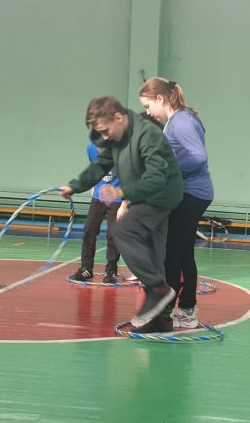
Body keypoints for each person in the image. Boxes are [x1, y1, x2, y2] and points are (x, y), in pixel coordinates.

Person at [60, 96, 183, 333]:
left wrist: (122, 192)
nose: (104, 137)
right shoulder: (117, 137)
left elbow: (157, 178)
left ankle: (158, 289)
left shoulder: (147, 134)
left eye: (105, 131)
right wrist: (75, 186)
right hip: (143, 196)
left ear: (119, 118)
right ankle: (160, 320)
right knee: (153, 252)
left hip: (161, 195)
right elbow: (99, 166)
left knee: (124, 230)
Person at [139, 77, 214, 329]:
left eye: (148, 106)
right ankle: (187, 310)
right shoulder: (179, 119)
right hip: (190, 193)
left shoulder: (181, 121)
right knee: (182, 252)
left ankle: (163, 316)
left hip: (192, 195)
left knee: (172, 255)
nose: (148, 112)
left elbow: (199, 157)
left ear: (160, 99)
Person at [68, 142, 124, 284]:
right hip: (98, 197)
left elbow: (129, 176)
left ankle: (111, 269)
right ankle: (86, 268)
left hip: (116, 198)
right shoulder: (91, 148)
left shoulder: (122, 151)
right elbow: (94, 170)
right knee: (89, 230)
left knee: (113, 234)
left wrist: (124, 202)